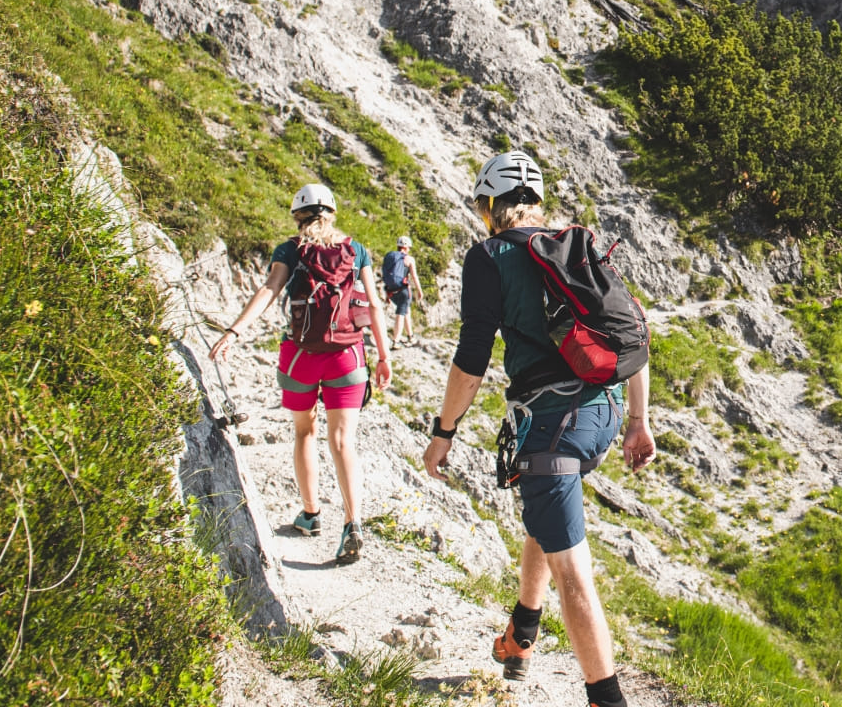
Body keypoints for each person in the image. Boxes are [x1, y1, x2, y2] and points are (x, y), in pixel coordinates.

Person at [422, 151, 655, 707]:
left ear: (489, 206)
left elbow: (472, 359)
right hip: (604, 413)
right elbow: (633, 332)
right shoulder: (573, 246)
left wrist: (444, 430)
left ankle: (606, 696)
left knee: (572, 566)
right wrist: (639, 422)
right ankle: (521, 635)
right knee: (546, 514)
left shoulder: (488, 257)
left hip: (551, 426)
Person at [211, 183, 393, 564]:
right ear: (333, 213)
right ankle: (353, 521)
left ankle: (310, 515)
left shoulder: (290, 250)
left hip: (299, 356)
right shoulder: (356, 250)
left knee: (305, 431)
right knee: (343, 441)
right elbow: (374, 305)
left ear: (297, 216)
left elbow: (269, 290)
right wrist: (384, 356)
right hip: (348, 356)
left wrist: (234, 331)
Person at [380, 234, 426, 346]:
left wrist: (387, 294)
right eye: (409, 248)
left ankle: (411, 336)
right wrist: (420, 291)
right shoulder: (409, 259)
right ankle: (395, 341)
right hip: (403, 290)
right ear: (406, 247)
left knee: (406, 311)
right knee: (400, 314)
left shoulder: (390, 257)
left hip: (391, 291)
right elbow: (414, 276)